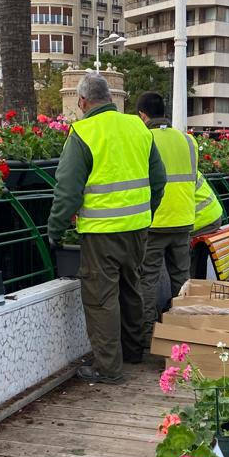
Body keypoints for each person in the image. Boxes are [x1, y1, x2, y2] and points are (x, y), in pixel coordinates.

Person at [48, 73, 167, 384]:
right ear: (112, 99)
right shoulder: (137, 127)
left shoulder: (83, 132)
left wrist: (55, 229)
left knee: (101, 298)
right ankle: (134, 351)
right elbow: (158, 179)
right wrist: (146, 212)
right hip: (138, 228)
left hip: (102, 232)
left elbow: (67, 190)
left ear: (83, 101)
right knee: (132, 289)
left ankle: (108, 367)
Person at [135, 91, 198, 350]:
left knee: (148, 279)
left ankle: (150, 334)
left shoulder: (144, 138)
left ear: (142, 115)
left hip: (156, 220)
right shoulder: (187, 140)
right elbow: (194, 178)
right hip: (183, 219)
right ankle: (183, 331)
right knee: (181, 278)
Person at [189, 170, 224, 279]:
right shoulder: (188, 163)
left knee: (178, 242)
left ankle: (193, 285)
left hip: (203, 219)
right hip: (212, 215)